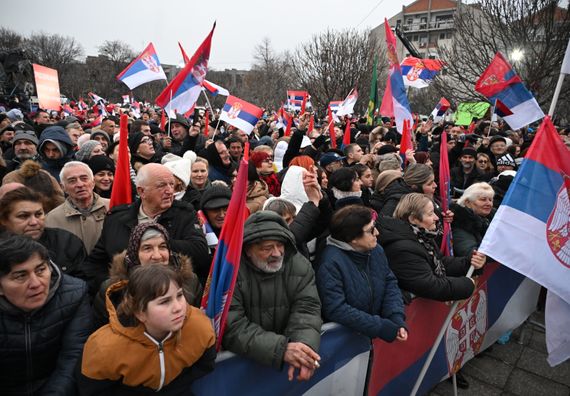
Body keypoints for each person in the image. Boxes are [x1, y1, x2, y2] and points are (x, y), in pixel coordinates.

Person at [77, 264, 216, 395]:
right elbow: (92, 390)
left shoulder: (198, 325)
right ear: (140, 313)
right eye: (164, 301)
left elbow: (205, 364)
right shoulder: (104, 348)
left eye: (179, 295)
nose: (178, 307)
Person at [222, 211, 322, 381]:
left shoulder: (299, 265)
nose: (277, 253)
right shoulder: (230, 272)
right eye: (267, 248)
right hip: (241, 374)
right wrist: (281, 349)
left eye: (280, 245)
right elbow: (232, 326)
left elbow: (307, 310)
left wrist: (303, 350)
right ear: (247, 250)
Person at [83, 163, 209, 293]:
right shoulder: (116, 218)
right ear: (141, 191)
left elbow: (200, 254)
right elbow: (96, 263)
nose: (170, 191)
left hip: (169, 293)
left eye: (172, 184)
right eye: (161, 185)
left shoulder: (184, 214)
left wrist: (158, 244)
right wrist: (116, 288)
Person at [0, 235, 92, 395]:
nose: (36, 284)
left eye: (40, 270)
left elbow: (73, 355)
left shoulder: (74, 294)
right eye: (21, 276)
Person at [317, 205, 408, 342]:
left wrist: (395, 316)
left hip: (367, 339)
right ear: (352, 237)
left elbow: (389, 282)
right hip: (345, 346)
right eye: (370, 230)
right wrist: (379, 326)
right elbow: (336, 308)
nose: (377, 232)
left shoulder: (376, 250)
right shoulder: (330, 263)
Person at [377, 193, 486, 303]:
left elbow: (441, 262)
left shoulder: (421, 236)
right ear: (413, 219)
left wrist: (469, 263)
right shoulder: (402, 248)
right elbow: (429, 286)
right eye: (430, 214)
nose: (436, 217)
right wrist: (466, 285)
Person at [92, 222, 202, 329]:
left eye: (162, 247)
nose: (157, 256)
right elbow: (103, 331)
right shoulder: (113, 290)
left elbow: (196, 325)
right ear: (135, 254)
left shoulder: (189, 282)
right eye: (147, 248)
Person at [0, 187, 87, 278]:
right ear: (4, 220)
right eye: (23, 216)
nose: (34, 222)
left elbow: (85, 282)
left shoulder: (67, 242)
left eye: (38, 214)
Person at [45, 161, 110, 254]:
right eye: (72, 180)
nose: (80, 184)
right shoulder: (51, 219)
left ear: (93, 183)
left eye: (84, 179)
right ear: (63, 187)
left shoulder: (113, 207)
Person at [451, 182, 495, 257]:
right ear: (467, 202)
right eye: (483, 199)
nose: (489, 204)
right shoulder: (461, 223)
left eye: (490, 200)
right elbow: (471, 253)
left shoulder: (491, 220)